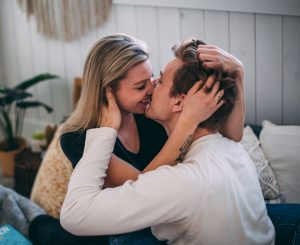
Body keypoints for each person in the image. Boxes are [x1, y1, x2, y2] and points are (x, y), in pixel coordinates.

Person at [29, 34, 245, 245]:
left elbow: (233, 136)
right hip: (112, 229)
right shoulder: (78, 140)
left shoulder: (149, 114)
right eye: (140, 86)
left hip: (160, 219)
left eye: (151, 78)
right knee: (45, 230)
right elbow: (141, 186)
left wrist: (238, 73)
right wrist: (188, 120)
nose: (151, 89)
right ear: (108, 92)